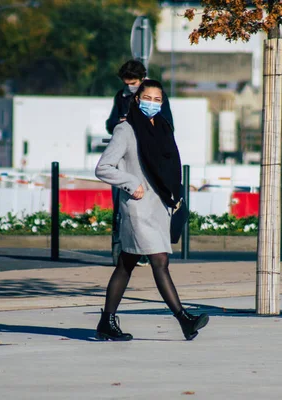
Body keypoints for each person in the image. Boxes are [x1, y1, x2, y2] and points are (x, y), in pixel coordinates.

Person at [95, 79, 209, 341]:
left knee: (126, 264)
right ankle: (184, 319)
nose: (153, 104)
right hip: (136, 208)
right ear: (137, 99)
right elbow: (103, 167)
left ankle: (106, 321)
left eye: (158, 100)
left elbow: (168, 167)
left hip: (158, 208)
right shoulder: (125, 130)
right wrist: (130, 183)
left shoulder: (164, 129)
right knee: (160, 260)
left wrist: (174, 195)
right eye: (148, 98)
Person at [106, 60, 174, 267]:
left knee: (149, 213)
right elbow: (110, 124)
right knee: (122, 208)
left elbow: (167, 125)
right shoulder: (121, 97)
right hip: (126, 162)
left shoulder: (154, 95)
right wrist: (121, 122)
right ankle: (124, 247)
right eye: (126, 83)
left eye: (133, 83)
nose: (129, 87)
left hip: (149, 161)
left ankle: (139, 252)